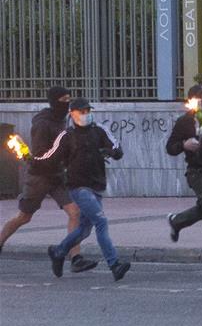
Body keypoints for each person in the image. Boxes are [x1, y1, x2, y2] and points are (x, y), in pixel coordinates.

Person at [0, 87, 98, 273]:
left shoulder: (64, 119)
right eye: (63, 99)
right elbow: (39, 155)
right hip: (39, 177)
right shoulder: (42, 124)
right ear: (54, 101)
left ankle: (75, 257)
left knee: (74, 212)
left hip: (58, 176)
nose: (67, 102)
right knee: (24, 217)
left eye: (69, 98)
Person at [35, 97, 130, 281]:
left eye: (88, 111)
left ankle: (59, 251)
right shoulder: (66, 135)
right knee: (101, 222)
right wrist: (33, 159)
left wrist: (110, 151)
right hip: (78, 186)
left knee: (85, 229)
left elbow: (117, 149)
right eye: (82, 112)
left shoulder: (99, 130)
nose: (86, 115)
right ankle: (114, 264)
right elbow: (50, 156)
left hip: (96, 184)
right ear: (72, 114)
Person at [164, 84, 202, 259]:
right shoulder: (185, 121)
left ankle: (176, 221)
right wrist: (184, 145)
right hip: (196, 171)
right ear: (190, 101)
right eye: (199, 97)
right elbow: (170, 147)